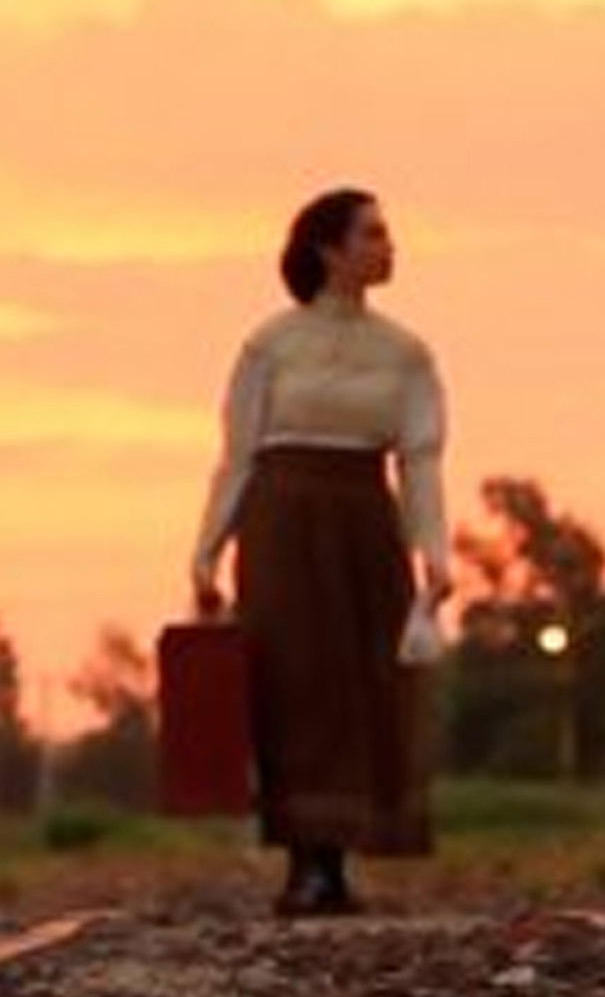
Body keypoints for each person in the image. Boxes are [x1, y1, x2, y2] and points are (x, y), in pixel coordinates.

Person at [189, 187, 449, 917]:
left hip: (364, 517)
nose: (388, 247)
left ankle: (341, 855)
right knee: (295, 682)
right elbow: (238, 456)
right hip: (283, 520)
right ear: (329, 249)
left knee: (364, 679)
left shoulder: (405, 354)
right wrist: (207, 550)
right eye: (372, 234)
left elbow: (421, 459)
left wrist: (434, 554)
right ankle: (307, 860)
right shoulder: (271, 346)